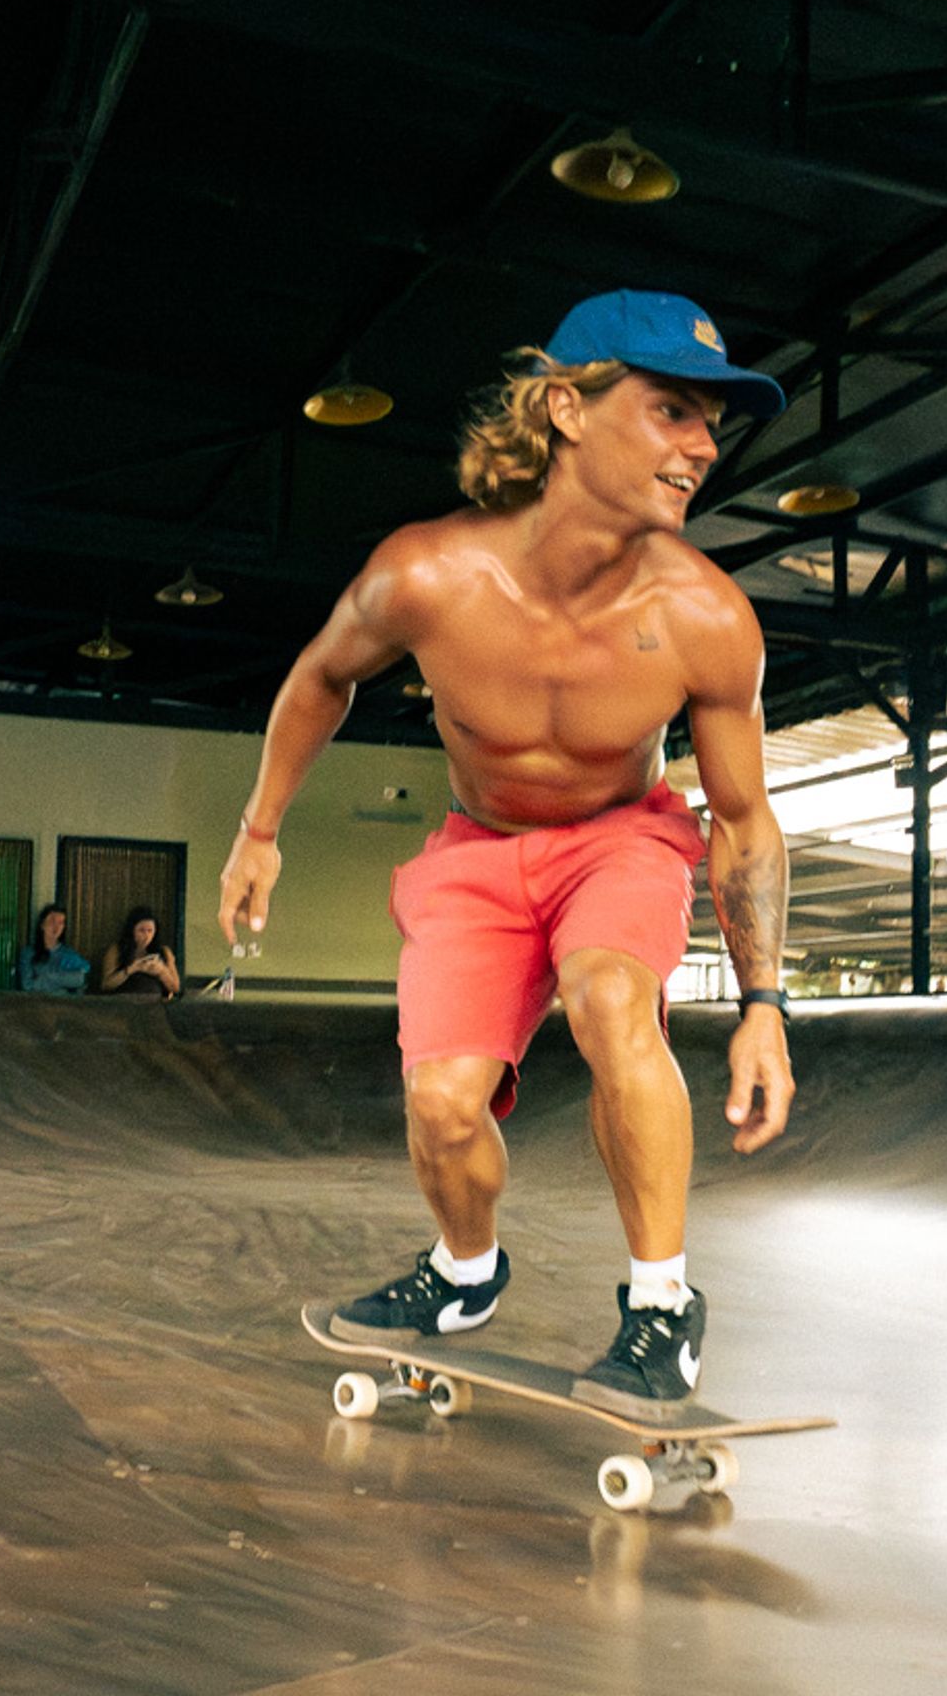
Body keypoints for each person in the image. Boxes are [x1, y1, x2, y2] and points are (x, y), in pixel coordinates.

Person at [216, 289, 795, 1423]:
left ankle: (662, 1306)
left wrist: (764, 1002)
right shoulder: (427, 574)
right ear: (564, 410)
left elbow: (742, 817)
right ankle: (464, 1272)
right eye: (671, 410)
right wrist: (259, 831)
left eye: (710, 423)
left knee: (610, 997)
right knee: (441, 1105)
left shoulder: (706, 617)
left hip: (621, 841)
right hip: (477, 852)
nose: (702, 446)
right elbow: (321, 677)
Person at [99, 906, 180, 998]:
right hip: (124, 1000)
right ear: (132, 930)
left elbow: (176, 988)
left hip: (155, 1001)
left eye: (150, 931)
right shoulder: (117, 950)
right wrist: (132, 969)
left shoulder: (164, 951)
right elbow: (106, 985)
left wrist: (161, 971)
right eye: (141, 930)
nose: (146, 935)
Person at [16, 904, 92, 995]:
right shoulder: (28, 953)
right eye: (52, 921)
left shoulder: (70, 954)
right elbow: (27, 985)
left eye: (60, 923)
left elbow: (80, 980)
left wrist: (49, 978)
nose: (56, 927)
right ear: (42, 924)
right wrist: (63, 981)